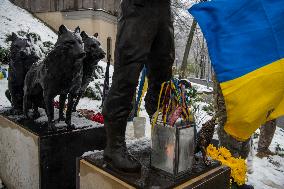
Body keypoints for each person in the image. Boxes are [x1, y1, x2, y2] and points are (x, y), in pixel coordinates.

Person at [102, 0, 174, 172]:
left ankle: (161, 140)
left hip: (164, 9)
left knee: (163, 77)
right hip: (138, 7)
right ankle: (114, 148)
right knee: (126, 75)